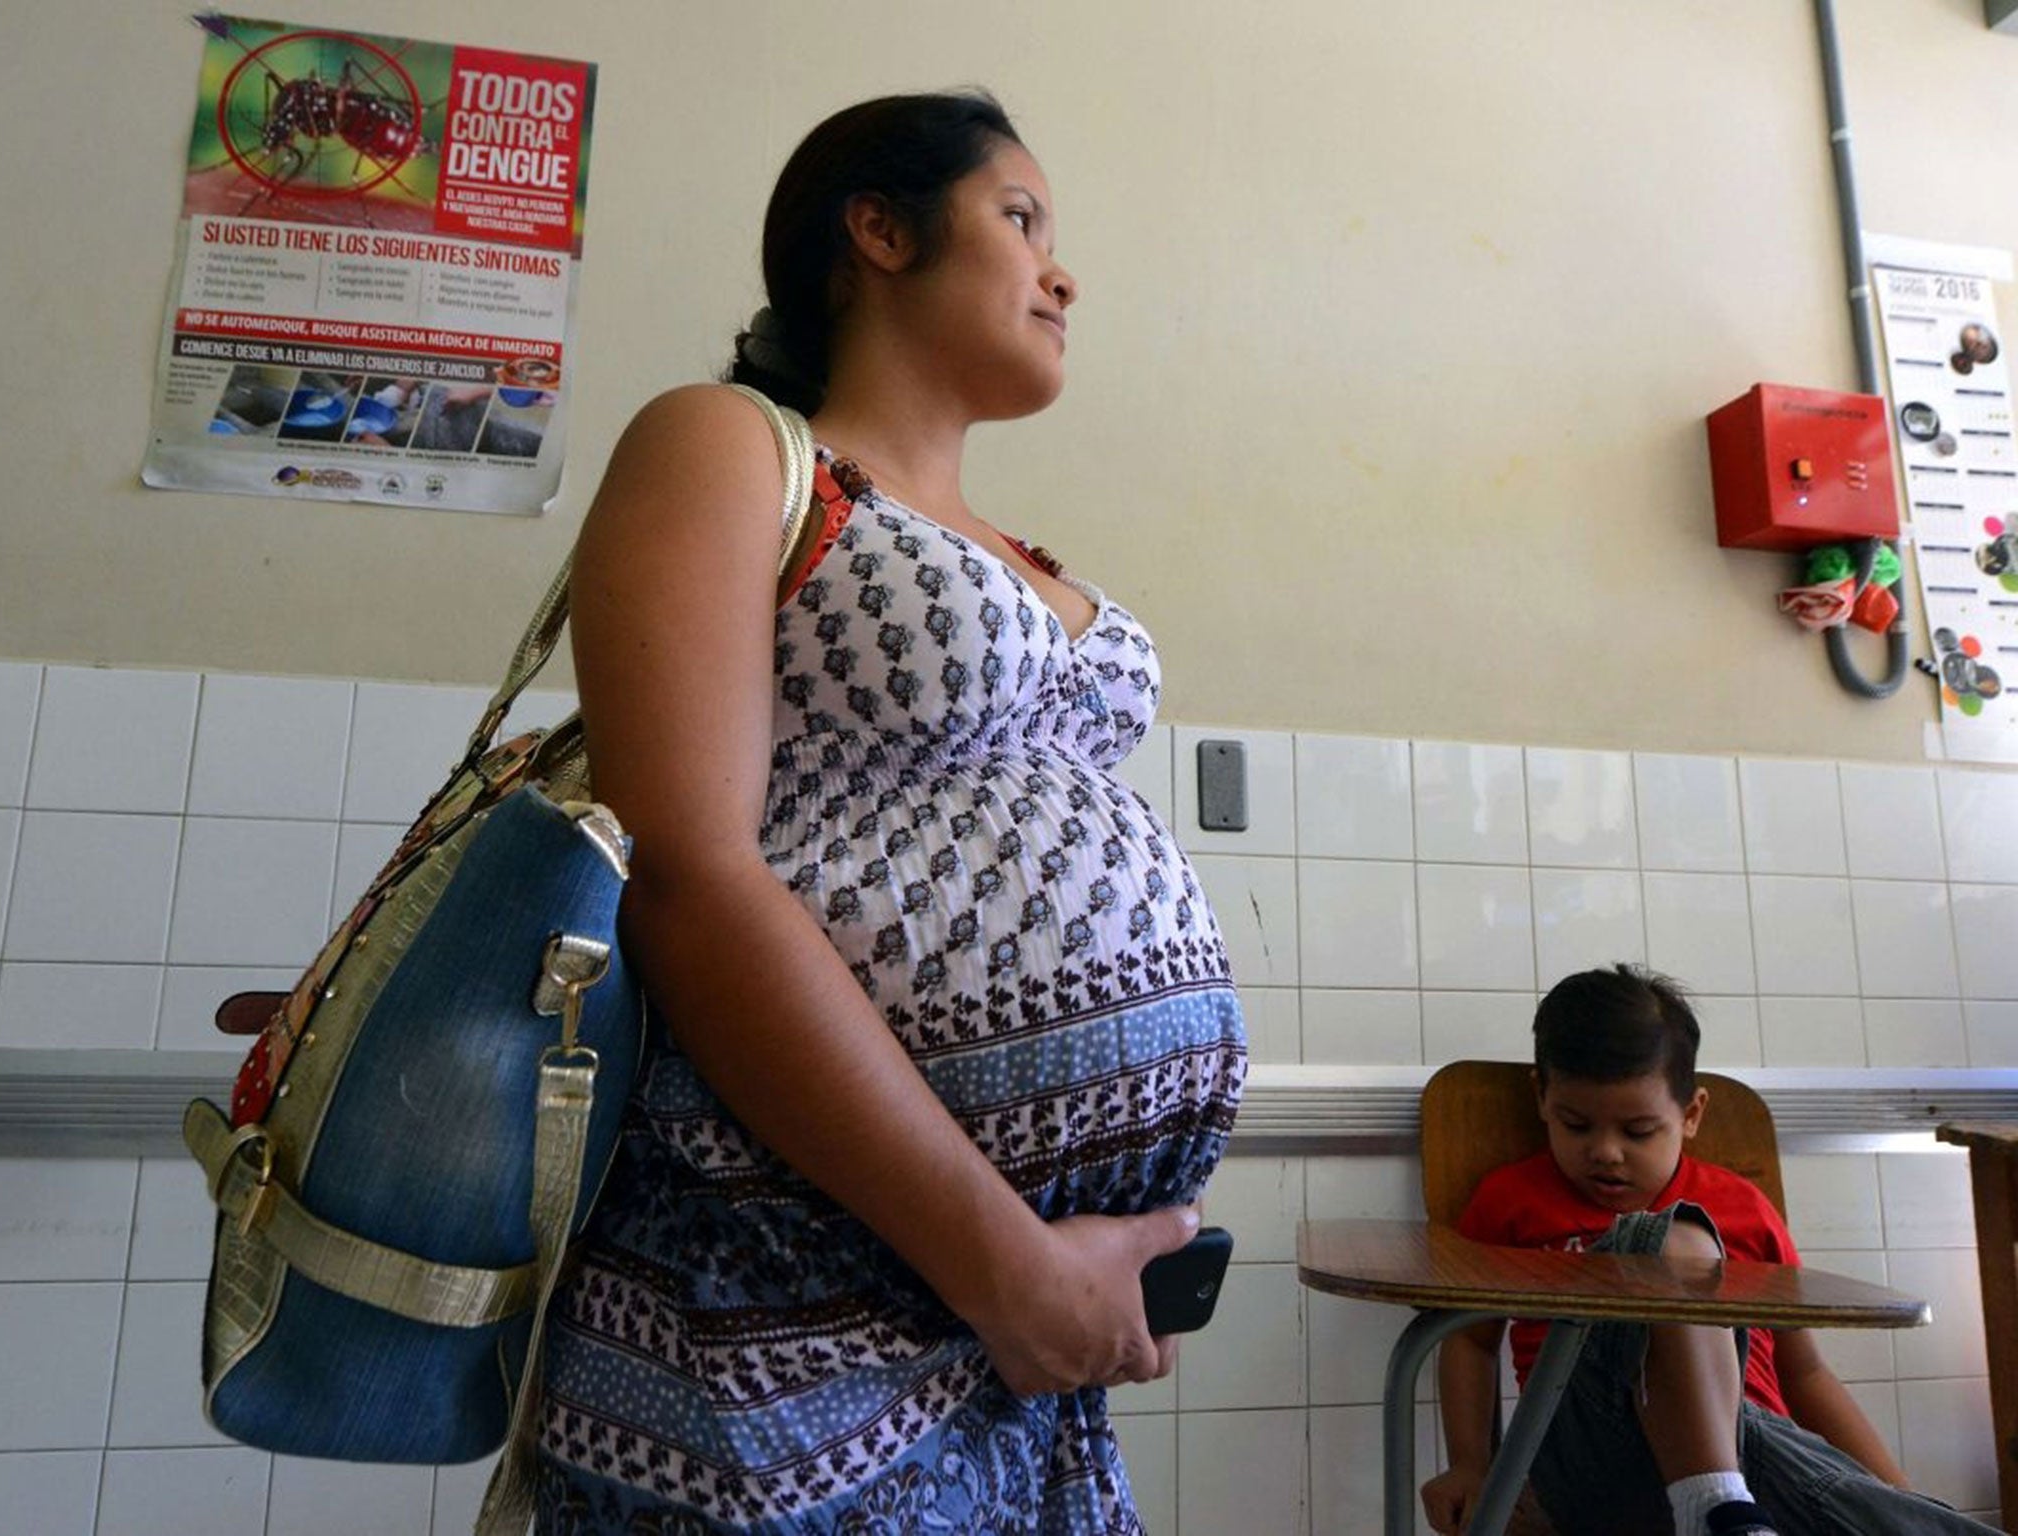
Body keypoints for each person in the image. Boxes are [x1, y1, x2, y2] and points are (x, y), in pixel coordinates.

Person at [538, 91, 1247, 1533]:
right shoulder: (729, 445)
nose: (1063, 273)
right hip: (778, 1301)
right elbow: (687, 872)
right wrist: (1007, 1265)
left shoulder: (1022, 551)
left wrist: (1059, 1274)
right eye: (1021, 220)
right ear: (878, 230)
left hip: (1015, 1352)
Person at [1421, 965, 1996, 1536]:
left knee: (1909, 1516)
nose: (1606, 1153)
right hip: (1596, 1448)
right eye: (1576, 1126)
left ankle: (1730, 1510)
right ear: (1541, 1098)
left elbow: (1806, 1373)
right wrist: (1472, 1463)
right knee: (1670, 1240)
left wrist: (1892, 1499)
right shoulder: (1513, 1202)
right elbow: (1470, 1341)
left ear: (1690, 1114)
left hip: (1756, 1446)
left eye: (1638, 1131)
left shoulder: (1743, 1208)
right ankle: (1716, 1506)